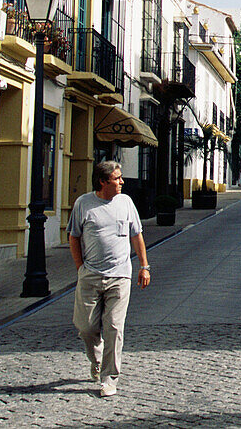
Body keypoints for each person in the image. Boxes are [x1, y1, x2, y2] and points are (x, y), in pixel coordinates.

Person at [68, 161, 151, 397]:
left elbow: (137, 236)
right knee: (85, 327)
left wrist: (144, 266)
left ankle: (109, 378)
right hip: (90, 276)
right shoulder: (84, 204)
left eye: (122, 177)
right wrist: (80, 268)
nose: (122, 181)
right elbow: (74, 237)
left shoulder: (126, 203)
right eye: (117, 178)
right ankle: (96, 359)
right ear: (103, 181)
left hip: (120, 277)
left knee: (114, 327)